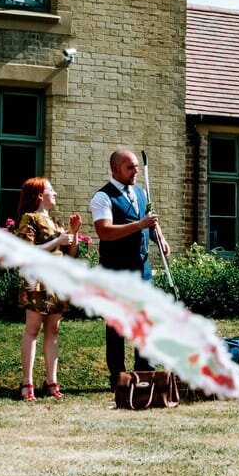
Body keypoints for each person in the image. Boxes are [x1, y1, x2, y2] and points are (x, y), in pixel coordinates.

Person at [90, 149, 170, 390]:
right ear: (115, 169)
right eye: (130, 167)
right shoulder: (102, 198)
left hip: (142, 270)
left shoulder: (140, 192)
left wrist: (160, 238)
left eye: (136, 166)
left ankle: (145, 371)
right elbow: (104, 231)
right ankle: (118, 377)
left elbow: (149, 221)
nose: (135, 171)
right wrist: (140, 225)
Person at [13, 177, 82, 401]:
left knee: (53, 331)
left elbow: (70, 255)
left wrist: (73, 234)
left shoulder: (55, 222)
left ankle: (52, 381)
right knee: (32, 329)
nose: (55, 194)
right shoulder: (29, 218)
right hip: (37, 280)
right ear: (40, 195)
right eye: (51, 190)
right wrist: (58, 240)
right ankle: (27, 383)